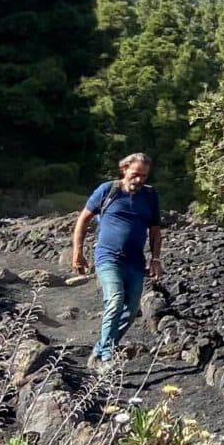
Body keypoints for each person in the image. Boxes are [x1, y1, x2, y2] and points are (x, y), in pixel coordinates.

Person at [71, 151, 164, 363]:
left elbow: (156, 231)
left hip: (135, 262)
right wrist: (78, 251)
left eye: (144, 176)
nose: (139, 180)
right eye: (136, 174)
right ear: (124, 169)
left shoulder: (150, 196)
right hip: (108, 257)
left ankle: (102, 347)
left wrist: (156, 259)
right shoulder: (108, 190)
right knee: (115, 299)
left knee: (131, 310)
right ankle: (105, 358)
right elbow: (83, 219)